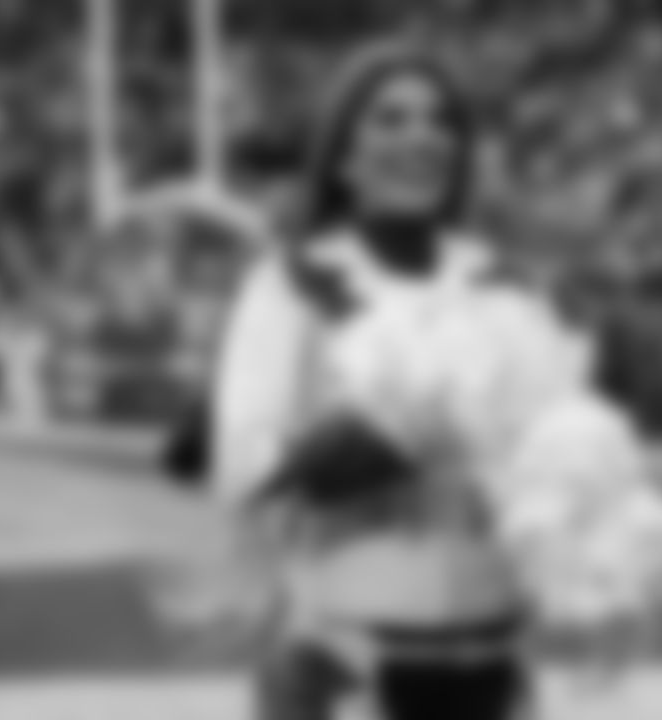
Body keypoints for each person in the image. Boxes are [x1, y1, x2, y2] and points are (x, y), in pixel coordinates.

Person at [206, 45, 533, 720]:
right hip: (346, 660)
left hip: (491, 658)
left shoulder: (501, 285)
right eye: (390, 119)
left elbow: (539, 460)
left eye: (440, 121)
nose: (421, 136)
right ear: (343, 156)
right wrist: (368, 438)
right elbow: (244, 465)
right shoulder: (295, 282)